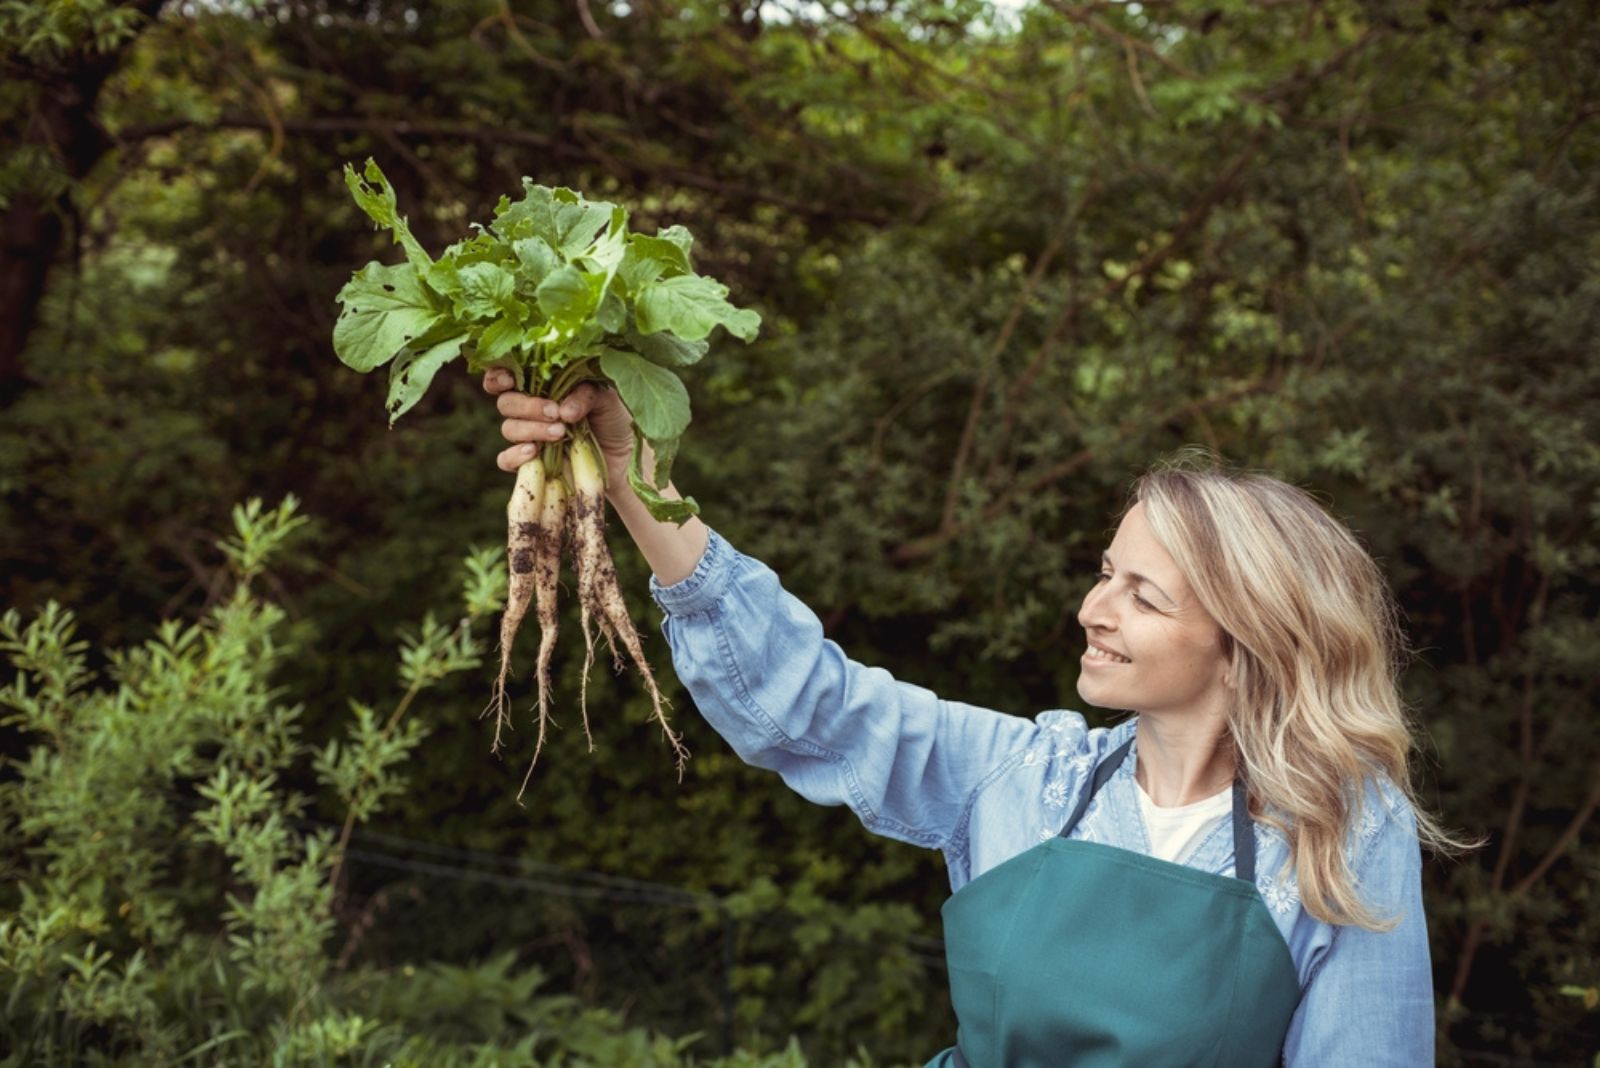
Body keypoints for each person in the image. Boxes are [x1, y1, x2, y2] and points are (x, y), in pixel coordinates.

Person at [486, 373, 1450, 1066]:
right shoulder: (1027, 776)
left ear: (1247, 642)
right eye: (1105, 572)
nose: (1093, 608)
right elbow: (809, 702)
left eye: (1143, 596)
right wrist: (628, 471)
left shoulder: (1343, 829)